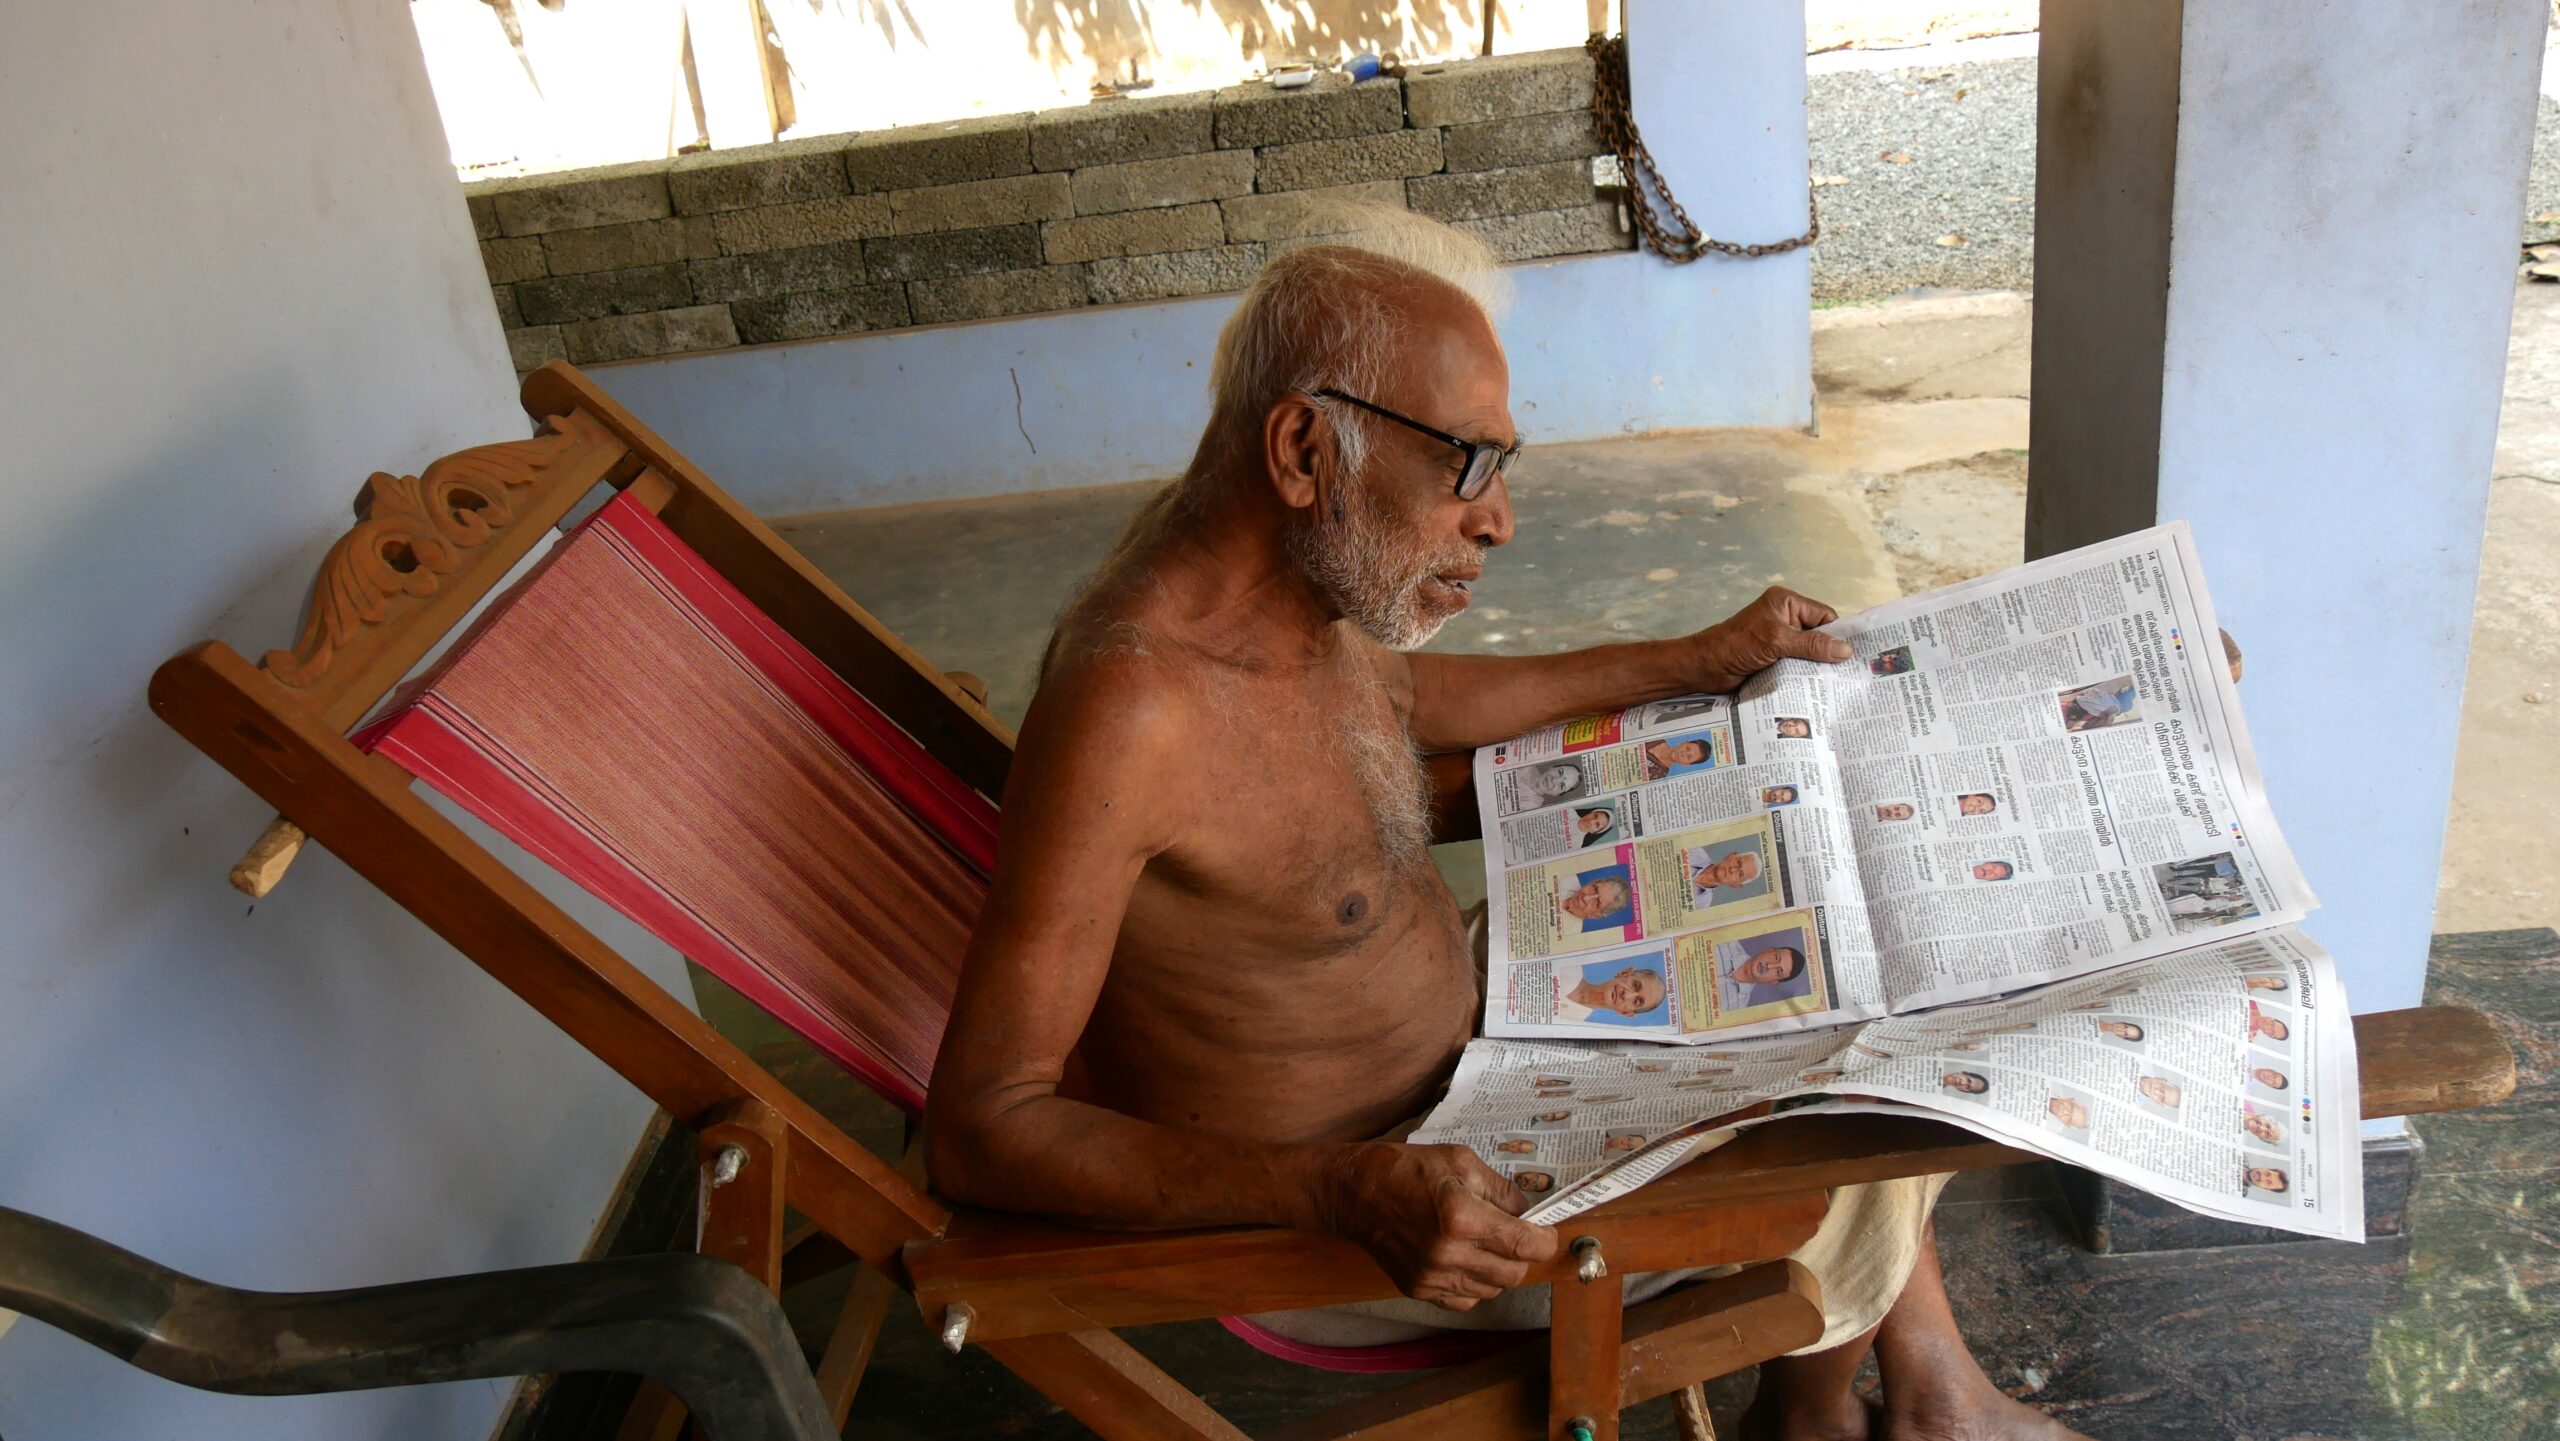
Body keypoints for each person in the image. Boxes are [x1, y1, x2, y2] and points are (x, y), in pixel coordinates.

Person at [926, 217, 2098, 1440]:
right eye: (1467, 464)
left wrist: (1699, 658)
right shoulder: (1133, 705)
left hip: (1491, 1049)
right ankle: (1833, 1414)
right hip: (1389, 1199)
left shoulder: (1295, 599)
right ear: (1304, 446)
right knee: (1858, 1120)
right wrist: (1336, 1188)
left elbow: (1421, 700)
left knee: (1842, 947)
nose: (1499, 521)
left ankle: (1913, 1395)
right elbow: (982, 1127)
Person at [1553, 964, 1664, 1024]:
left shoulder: (1574, 1026)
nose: (1626, 995)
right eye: (1635, 985)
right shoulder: (1569, 966)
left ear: (1625, 1013)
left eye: (1637, 1001)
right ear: (1624, 973)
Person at [1719, 940, 1812, 1011]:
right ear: (1769, 950)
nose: (1769, 966)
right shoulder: (1725, 942)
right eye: (1776, 957)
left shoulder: (1737, 1008)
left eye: (1778, 972)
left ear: (1774, 982)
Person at [1686, 842, 1764, 902]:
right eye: (1738, 862)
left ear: (1735, 885)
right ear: (1731, 855)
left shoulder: (1702, 905)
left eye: (1740, 874)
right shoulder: (1692, 850)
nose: (1732, 870)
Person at [1560, 871, 1632, 928]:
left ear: (1595, 916)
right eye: (1595, 889)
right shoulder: (1564, 878)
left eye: (1597, 903)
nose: (1585, 898)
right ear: (1593, 882)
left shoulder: (1569, 930)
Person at [1644, 736, 1714, 773]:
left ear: (1687, 764)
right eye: (1687, 748)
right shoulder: (1656, 738)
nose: (1683, 753)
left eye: (1689, 757)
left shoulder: (1660, 774)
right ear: (1684, 743)